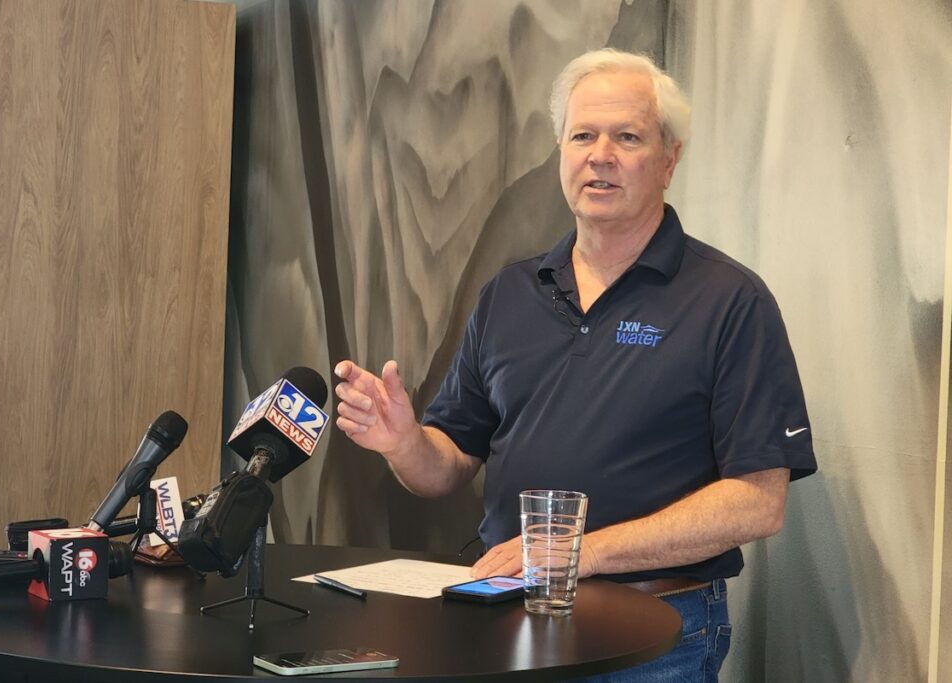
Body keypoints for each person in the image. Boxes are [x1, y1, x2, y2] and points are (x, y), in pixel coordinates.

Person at [333, 47, 817, 682]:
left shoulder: (730, 300)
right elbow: (446, 464)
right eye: (583, 134)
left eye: (628, 137)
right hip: (504, 627)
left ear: (670, 160)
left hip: (654, 637)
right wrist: (404, 444)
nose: (601, 155)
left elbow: (757, 503)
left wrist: (575, 554)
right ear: (561, 151)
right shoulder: (509, 293)